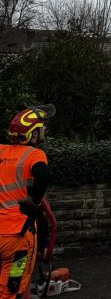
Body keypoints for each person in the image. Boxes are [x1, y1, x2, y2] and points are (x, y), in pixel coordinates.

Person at [0, 106, 53, 299]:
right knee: (11, 289)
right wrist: (34, 201)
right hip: (17, 239)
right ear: (32, 134)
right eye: (42, 126)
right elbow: (43, 175)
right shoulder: (33, 154)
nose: (45, 129)